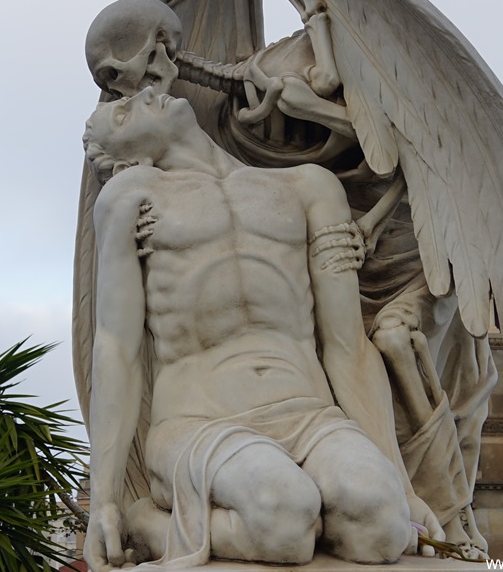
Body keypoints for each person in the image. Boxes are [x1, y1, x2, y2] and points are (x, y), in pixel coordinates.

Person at [82, 86, 442, 570]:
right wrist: (103, 500)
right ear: (130, 159)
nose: (144, 94)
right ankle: (151, 522)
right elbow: (116, 348)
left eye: (133, 96)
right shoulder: (131, 197)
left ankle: (334, 506)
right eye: (122, 115)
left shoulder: (309, 187)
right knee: (282, 519)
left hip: (310, 414)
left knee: (382, 526)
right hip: (199, 421)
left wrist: (403, 487)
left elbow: (347, 347)